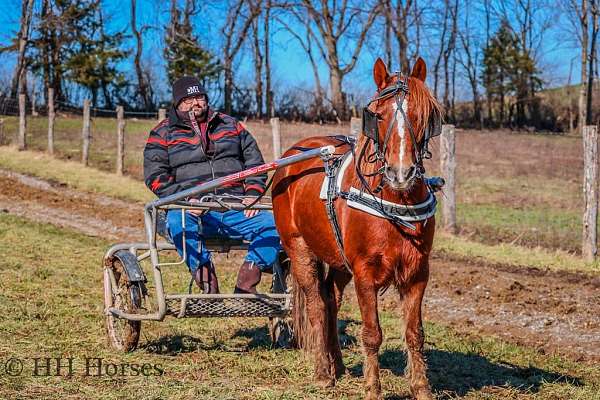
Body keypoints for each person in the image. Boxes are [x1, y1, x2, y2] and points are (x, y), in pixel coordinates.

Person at [143, 76, 281, 294]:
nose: (195, 103)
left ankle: (247, 282)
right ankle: (207, 279)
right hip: (192, 209)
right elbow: (155, 175)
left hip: (236, 206)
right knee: (178, 221)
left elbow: (256, 164)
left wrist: (252, 193)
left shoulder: (231, 125)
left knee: (275, 225)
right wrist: (186, 200)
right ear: (177, 103)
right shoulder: (162, 132)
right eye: (188, 99)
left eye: (199, 96)